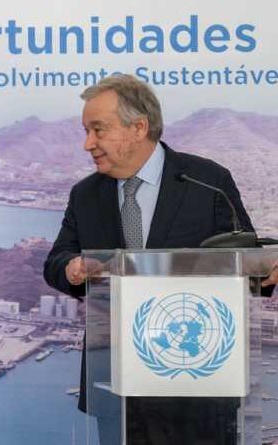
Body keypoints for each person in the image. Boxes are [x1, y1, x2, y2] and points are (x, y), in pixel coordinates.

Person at [43, 74, 277, 444]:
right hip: (116, 385)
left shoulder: (208, 182)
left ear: (138, 127)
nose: (88, 144)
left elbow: (247, 264)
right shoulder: (85, 195)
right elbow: (56, 261)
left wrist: (264, 273)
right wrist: (71, 270)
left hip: (200, 385)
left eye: (98, 130)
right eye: (86, 131)